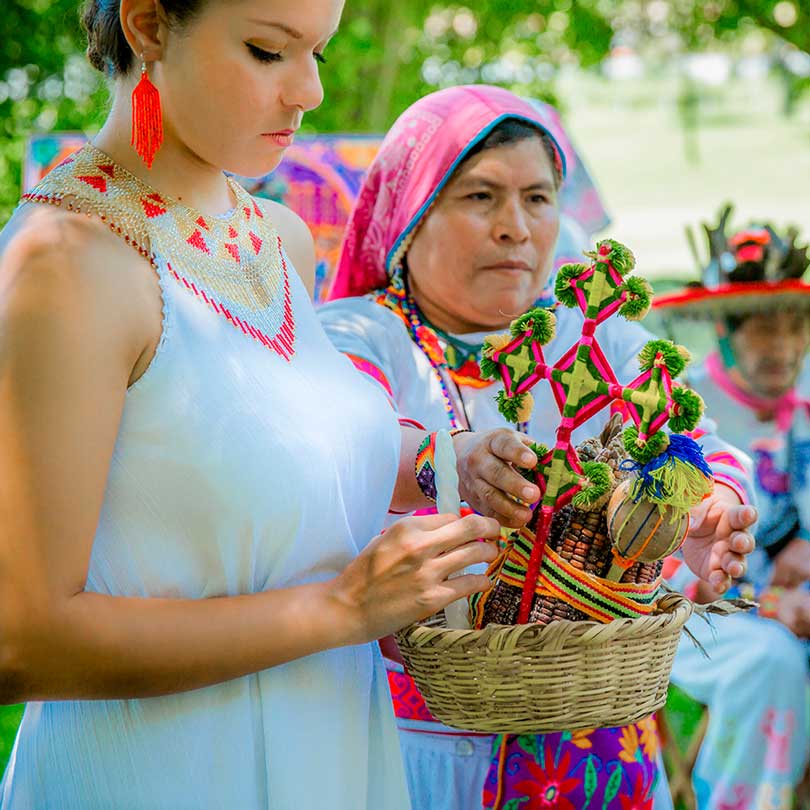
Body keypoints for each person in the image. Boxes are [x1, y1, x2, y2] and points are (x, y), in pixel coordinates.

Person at [0, 3, 560, 808]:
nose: (309, 91)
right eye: (269, 51)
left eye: (320, 52)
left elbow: (266, 458)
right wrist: (342, 608)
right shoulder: (67, 267)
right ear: (149, 25)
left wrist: (447, 466)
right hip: (168, 775)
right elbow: (22, 639)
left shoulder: (278, 239)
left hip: (330, 758)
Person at [318, 85, 757, 810]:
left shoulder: (597, 336)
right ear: (410, 210)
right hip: (416, 751)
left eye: (538, 198)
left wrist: (710, 507)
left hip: (596, 749)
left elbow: (699, 440)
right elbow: (348, 436)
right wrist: (449, 463)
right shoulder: (360, 334)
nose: (515, 228)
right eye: (480, 197)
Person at [656, 207, 810, 809]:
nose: (784, 347)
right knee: (769, 661)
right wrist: (775, 604)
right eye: (762, 329)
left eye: (796, 330)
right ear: (724, 332)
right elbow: (665, 556)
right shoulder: (685, 411)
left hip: (792, 608)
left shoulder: (805, 410)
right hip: (696, 614)